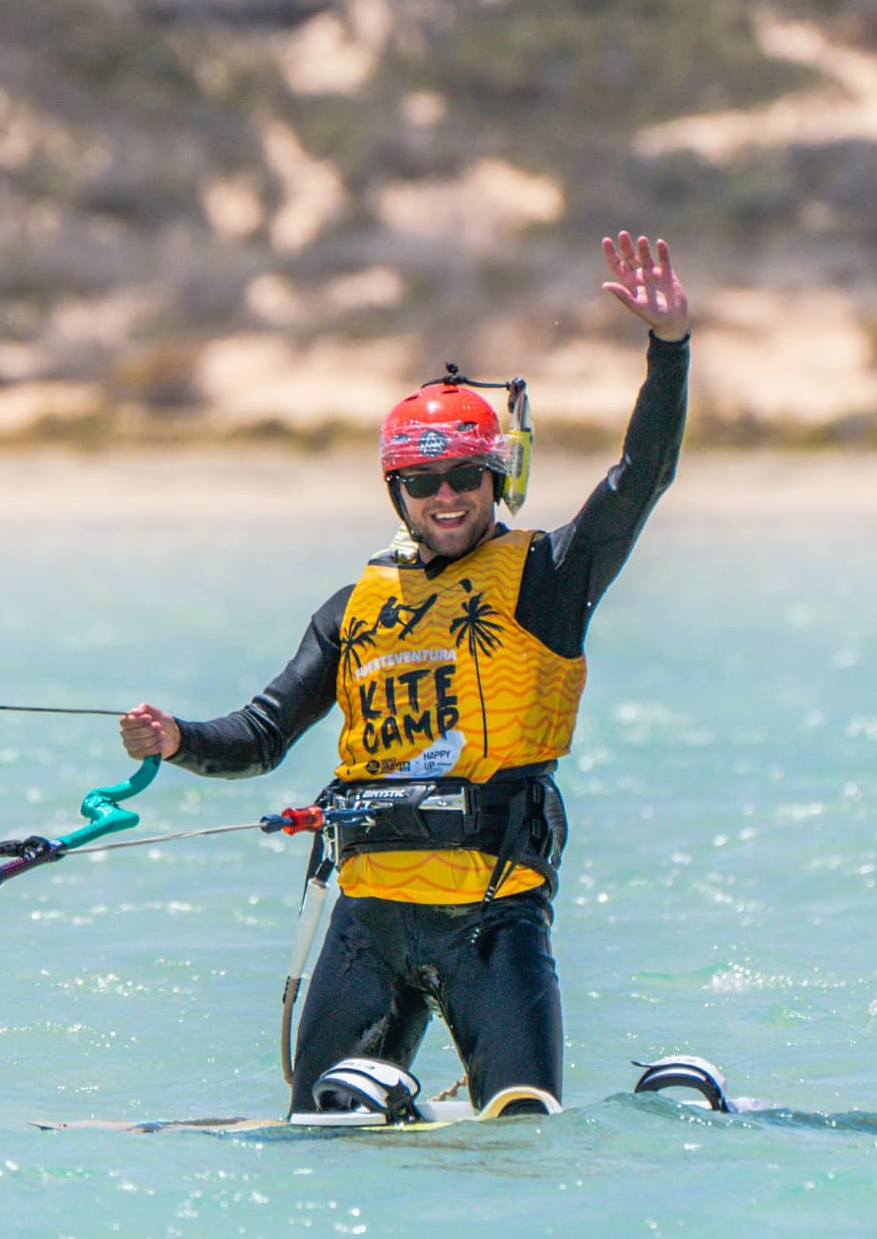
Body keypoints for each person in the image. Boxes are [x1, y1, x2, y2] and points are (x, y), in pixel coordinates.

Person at [119, 232, 690, 1119]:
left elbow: (640, 479)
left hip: (493, 920)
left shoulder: (548, 579)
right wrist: (179, 739)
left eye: (465, 474)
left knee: (522, 1139)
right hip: (367, 923)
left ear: (497, 476)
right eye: (422, 480)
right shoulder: (355, 607)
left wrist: (669, 351)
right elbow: (263, 735)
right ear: (398, 491)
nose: (446, 495)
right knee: (318, 1137)